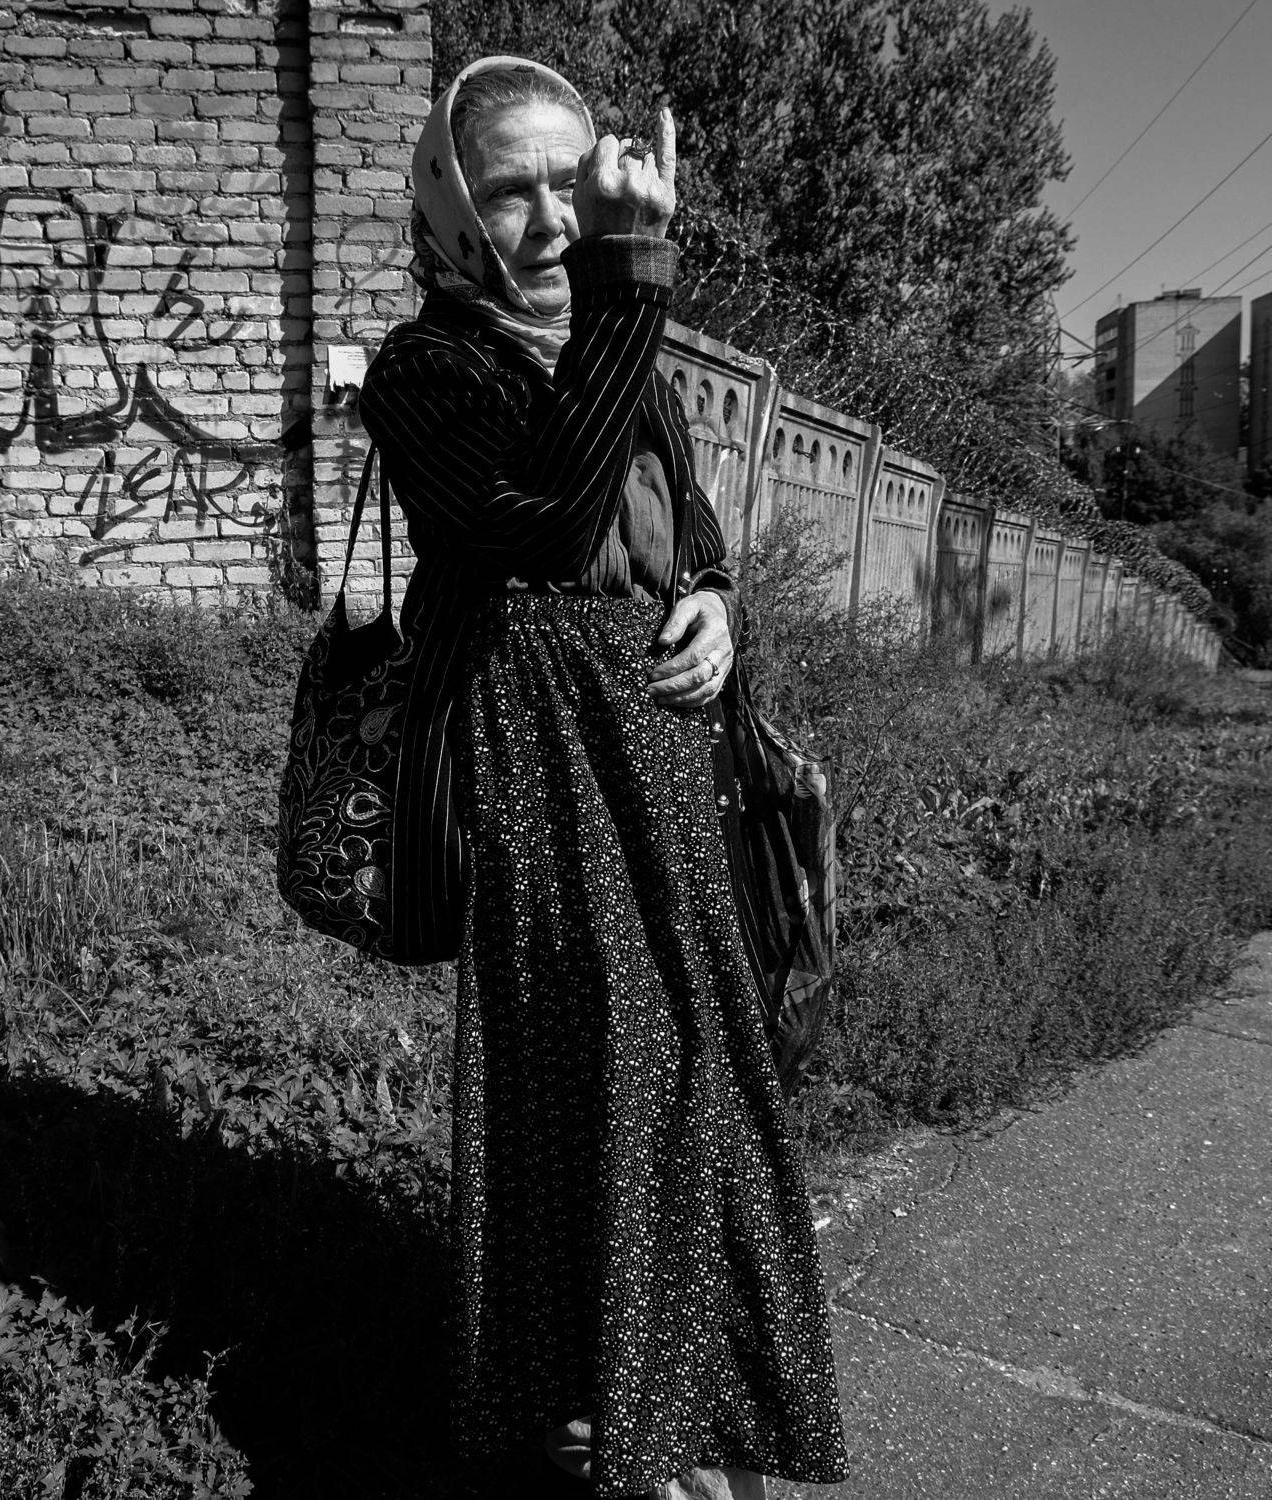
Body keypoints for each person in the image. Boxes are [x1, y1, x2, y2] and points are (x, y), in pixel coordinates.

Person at [358, 55, 848, 1500]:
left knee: (703, 1070)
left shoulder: (611, 345)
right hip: (542, 774)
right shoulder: (425, 371)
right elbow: (542, 517)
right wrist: (635, 285)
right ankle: (591, 1418)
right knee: (590, 1080)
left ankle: (689, 1407)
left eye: (571, 186)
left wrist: (717, 600)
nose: (554, 219)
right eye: (512, 190)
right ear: (451, 209)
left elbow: (687, 526)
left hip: (666, 770)